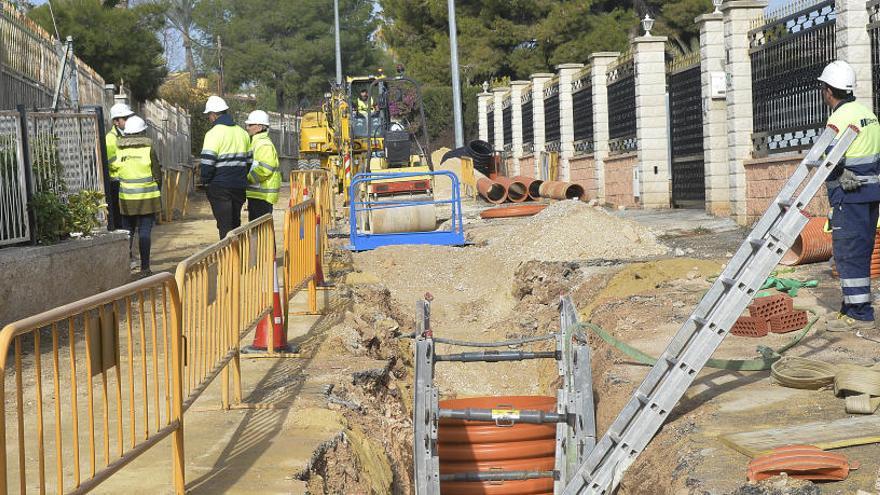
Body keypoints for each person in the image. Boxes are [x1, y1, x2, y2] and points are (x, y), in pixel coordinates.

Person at [818, 61, 880, 340]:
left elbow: (827, 160)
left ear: (830, 91)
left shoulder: (839, 119)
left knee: (849, 253)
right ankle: (852, 304)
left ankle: (860, 313)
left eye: (823, 89)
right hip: (871, 196)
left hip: (849, 197)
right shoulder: (869, 115)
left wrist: (840, 172)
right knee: (862, 251)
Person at [116, 116, 162, 277]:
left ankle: (124, 267)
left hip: (127, 199)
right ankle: (145, 268)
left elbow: (115, 171)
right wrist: (159, 191)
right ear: (143, 131)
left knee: (128, 232)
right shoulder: (148, 149)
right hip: (147, 198)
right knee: (144, 232)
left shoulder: (119, 150)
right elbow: (157, 174)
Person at [200, 95, 252, 238]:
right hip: (239, 186)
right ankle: (238, 257)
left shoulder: (213, 134)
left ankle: (228, 258)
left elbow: (207, 163)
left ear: (214, 115)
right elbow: (249, 162)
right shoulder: (243, 133)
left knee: (224, 225)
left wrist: (205, 180)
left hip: (219, 186)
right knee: (235, 223)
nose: (209, 119)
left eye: (209, 116)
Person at [244, 110, 281, 221]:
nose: (247, 128)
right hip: (257, 195)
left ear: (259, 127)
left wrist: (247, 179)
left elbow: (265, 169)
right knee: (260, 232)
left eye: (250, 125)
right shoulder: (257, 142)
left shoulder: (263, 144)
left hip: (262, 197)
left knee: (262, 233)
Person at [106, 103, 135, 231]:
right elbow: (110, 163)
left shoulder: (125, 135)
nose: (128, 120)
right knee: (121, 220)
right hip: (116, 183)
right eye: (125, 118)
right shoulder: (111, 139)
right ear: (116, 122)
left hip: (126, 181)